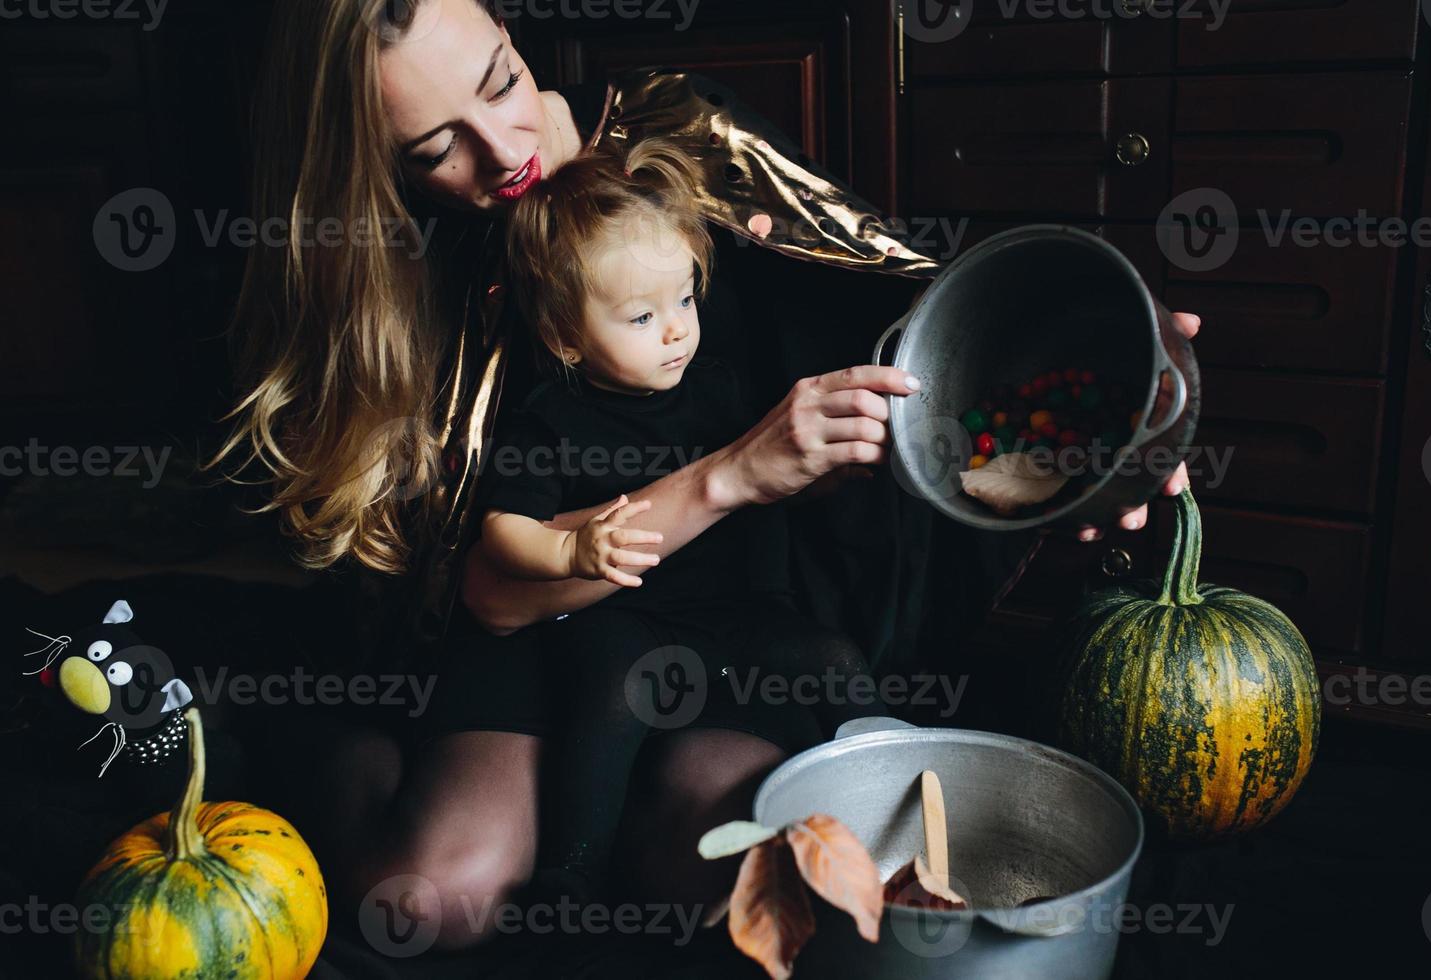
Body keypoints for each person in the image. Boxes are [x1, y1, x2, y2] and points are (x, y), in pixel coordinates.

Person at [207, 0, 1200, 951]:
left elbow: (900, 332)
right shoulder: (407, 272)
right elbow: (499, 596)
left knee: (747, 864)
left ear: (510, 31)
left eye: (501, 81)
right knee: (434, 900)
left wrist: (1077, 444)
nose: (505, 150)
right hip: (535, 620)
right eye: (436, 149)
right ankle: (337, 741)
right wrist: (733, 474)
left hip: (722, 608)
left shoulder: (687, 140)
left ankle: (611, 805)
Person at [479, 138, 883, 898]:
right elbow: (504, 534)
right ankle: (572, 874)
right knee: (614, 693)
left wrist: (826, 478)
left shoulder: (719, 386)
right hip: (632, 620)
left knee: (832, 659)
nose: (676, 330)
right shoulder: (550, 422)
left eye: (686, 299)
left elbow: (773, 484)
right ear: (566, 337)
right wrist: (571, 554)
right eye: (640, 316)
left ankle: (899, 796)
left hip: (734, 611)